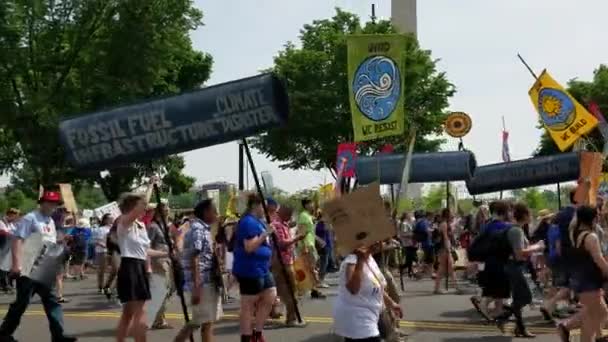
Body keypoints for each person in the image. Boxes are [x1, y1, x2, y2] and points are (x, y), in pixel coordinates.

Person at [0, 191, 77, 342]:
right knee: (22, 303)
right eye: (49, 202)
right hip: (29, 266)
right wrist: (16, 265)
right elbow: (17, 241)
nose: (52, 206)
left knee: (52, 300)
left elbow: (49, 243)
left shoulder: (50, 221)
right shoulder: (31, 218)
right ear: (41, 203)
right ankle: (4, 333)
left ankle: (58, 335)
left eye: (54, 203)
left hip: (45, 265)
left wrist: (61, 240)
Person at [115, 193, 170, 342]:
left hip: (139, 266)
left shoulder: (140, 226)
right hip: (129, 266)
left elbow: (145, 251)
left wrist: (166, 253)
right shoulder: (124, 222)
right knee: (140, 312)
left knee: (128, 313)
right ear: (133, 207)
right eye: (143, 206)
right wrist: (150, 185)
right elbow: (140, 205)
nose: (146, 209)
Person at [556, 205, 608, 342]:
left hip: (581, 280)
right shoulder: (591, 237)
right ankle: (567, 328)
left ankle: (566, 327)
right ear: (594, 217)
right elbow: (599, 259)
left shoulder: (574, 232)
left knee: (599, 314)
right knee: (592, 320)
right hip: (589, 282)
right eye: (597, 214)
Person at [174, 199, 223, 342]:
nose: (217, 214)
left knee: (204, 321)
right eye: (215, 211)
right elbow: (194, 257)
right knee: (202, 321)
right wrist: (197, 286)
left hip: (207, 281)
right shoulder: (198, 229)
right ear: (206, 212)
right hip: (202, 283)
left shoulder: (203, 229)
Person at [333, 244, 402, 342]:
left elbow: (377, 287)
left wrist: (392, 304)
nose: (380, 244)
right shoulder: (352, 260)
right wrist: (360, 261)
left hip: (370, 315)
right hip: (357, 319)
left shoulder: (370, 258)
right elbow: (353, 289)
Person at [495, 203, 545, 338]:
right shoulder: (516, 231)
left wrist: (534, 247)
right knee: (526, 297)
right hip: (514, 266)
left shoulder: (518, 230)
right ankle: (503, 317)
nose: (532, 216)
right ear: (524, 216)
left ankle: (520, 328)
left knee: (518, 297)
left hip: (515, 266)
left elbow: (522, 250)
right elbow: (519, 253)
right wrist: (537, 247)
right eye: (530, 214)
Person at [232, 194, 277, 342]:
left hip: (262, 268)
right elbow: (249, 247)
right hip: (249, 269)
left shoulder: (259, 222)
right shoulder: (247, 222)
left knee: (270, 294)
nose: (265, 209)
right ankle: (247, 336)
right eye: (262, 206)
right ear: (254, 206)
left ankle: (257, 332)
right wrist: (265, 234)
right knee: (248, 305)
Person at [470, 200, 512, 322]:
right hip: (500, 261)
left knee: (497, 287)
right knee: (499, 288)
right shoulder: (505, 227)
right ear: (504, 212)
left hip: (488, 261)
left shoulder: (486, 226)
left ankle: (498, 311)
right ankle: (484, 304)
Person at [271, 205, 306, 326]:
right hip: (282, 263)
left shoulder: (283, 224)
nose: (290, 218)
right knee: (290, 292)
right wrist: (296, 238)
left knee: (289, 290)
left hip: (286, 261)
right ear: (283, 213)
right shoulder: (277, 225)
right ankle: (291, 318)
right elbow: (281, 244)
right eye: (289, 215)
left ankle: (290, 316)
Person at [147, 203, 174, 330]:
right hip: (158, 261)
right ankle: (158, 320)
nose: (168, 211)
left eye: (168, 209)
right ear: (159, 212)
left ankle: (159, 318)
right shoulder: (153, 227)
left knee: (168, 289)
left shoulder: (165, 225)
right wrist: (148, 265)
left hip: (167, 259)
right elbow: (147, 246)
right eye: (165, 209)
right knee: (162, 289)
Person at [297, 199, 326, 299]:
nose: (312, 205)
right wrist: (304, 246)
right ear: (305, 205)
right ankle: (314, 290)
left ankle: (312, 289)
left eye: (312, 203)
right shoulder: (303, 216)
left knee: (312, 268)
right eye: (310, 204)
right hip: (307, 246)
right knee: (311, 268)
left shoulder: (308, 216)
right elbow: (301, 232)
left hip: (311, 244)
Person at [433, 208, 458, 294]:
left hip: (444, 248)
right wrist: (448, 248)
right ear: (447, 215)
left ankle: (456, 286)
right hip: (443, 248)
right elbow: (445, 237)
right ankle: (456, 287)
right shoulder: (444, 224)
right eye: (451, 214)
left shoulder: (445, 223)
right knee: (444, 268)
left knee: (447, 268)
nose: (452, 215)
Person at [0, 208, 19, 293]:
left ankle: (8, 284)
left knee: (8, 267)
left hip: (9, 248)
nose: (15, 218)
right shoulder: (1, 222)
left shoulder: (11, 224)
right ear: (10, 214)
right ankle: (4, 285)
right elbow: (3, 232)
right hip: (2, 247)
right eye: (14, 216)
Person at [92, 214, 113, 294]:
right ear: (105, 220)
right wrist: (104, 245)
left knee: (114, 269)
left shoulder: (113, 228)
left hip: (112, 251)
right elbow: (96, 241)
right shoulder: (100, 229)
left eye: (112, 218)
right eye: (110, 219)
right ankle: (100, 287)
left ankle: (108, 286)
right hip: (102, 251)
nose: (112, 220)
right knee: (102, 270)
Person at [315, 211, 331, 288]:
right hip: (323, 246)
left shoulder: (323, 223)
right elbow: (319, 232)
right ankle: (320, 281)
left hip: (327, 245)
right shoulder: (320, 224)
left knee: (325, 263)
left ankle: (321, 279)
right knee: (323, 264)